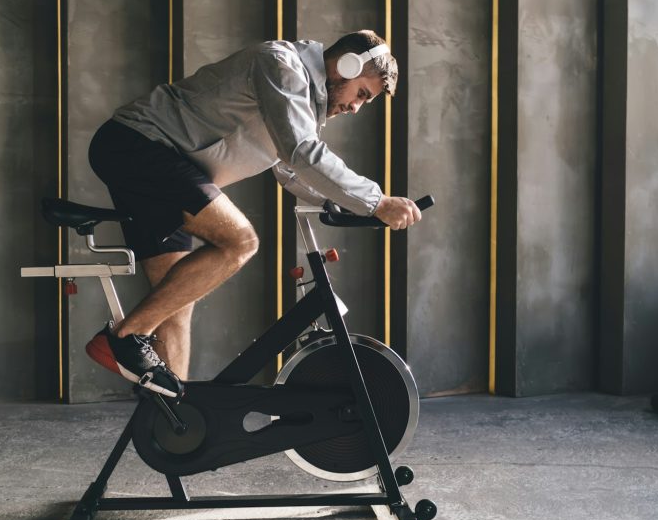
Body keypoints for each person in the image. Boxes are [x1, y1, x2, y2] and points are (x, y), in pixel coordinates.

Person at [85, 29, 422, 399]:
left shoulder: (304, 100)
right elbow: (301, 152)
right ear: (346, 65)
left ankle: (170, 424)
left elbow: (291, 169)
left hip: (165, 164)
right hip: (140, 145)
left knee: (176, 299)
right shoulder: (281, 65)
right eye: (361, 94)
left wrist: (344, 206)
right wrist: (377, 201)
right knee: (239, 242)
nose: (356, 108)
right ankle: (124, 338)